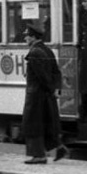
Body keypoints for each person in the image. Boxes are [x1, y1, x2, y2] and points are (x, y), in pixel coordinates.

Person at [21, 23, 68, 164]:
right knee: (47, 123)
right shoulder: (47, 50)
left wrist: (48, 87)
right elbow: (56, 72)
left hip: (36, 95)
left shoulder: (34, 52)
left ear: (33, 37)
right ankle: (59, 148)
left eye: (27, 36)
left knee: (32, 124)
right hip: (47, 95)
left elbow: (42, 76)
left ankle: (38, 155)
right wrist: (55, 89)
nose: (25, 39)